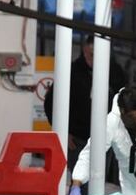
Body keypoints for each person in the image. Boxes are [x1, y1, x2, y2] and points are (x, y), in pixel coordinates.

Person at [44, 33, 128, 177]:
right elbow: (51, 103)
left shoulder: (114, 73)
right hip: (78, 138)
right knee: (80, 179)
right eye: (92, 55)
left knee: (98, 179)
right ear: (85, 50)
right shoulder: (72, 72)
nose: (95, 60)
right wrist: (63, 132)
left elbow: (124, 101)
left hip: (105, 137)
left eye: (99, 55)